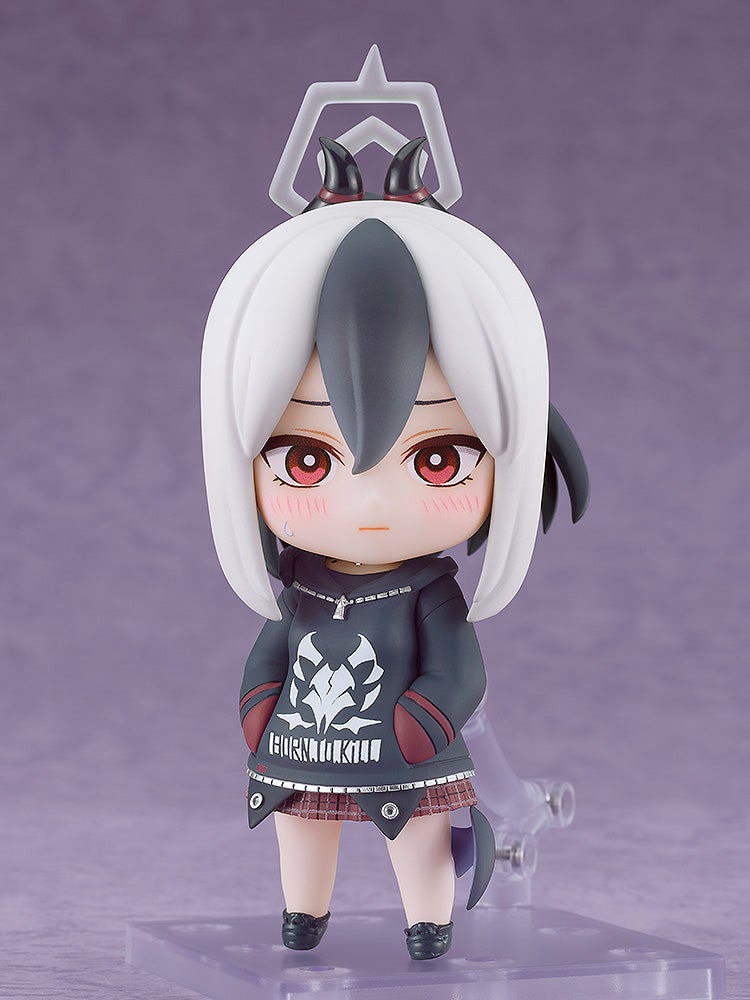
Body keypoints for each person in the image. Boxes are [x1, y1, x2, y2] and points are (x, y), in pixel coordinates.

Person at [201, 140, 587, 959]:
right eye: (307, 460)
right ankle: (303, 916)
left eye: (438, 457)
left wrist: (427, 716)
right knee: (301, 828)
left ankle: (428, 922)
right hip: (305, 746)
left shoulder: (429, 595)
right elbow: (270, 650)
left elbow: (459, 669)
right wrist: (259, 699)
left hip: (404, 754)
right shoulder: (301, 589)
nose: (370, 502)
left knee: (418, 833)